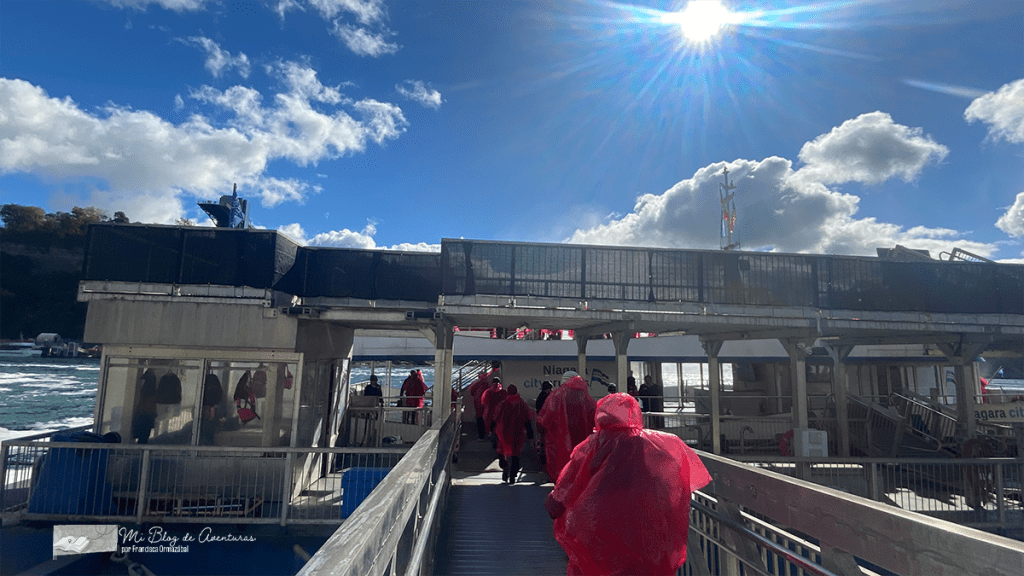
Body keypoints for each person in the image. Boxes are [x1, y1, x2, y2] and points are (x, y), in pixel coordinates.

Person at [545, 393, 712, 576]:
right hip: (643, 524)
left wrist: (556, 503)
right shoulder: (652, 442)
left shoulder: (593, 444)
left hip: (600, 522)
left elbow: (571, 480)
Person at [536, 374, 596, 482]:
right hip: (582, 441)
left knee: (562, 472)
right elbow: (595, 418)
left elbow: (544, 420)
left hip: (559, 442)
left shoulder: (555, 397)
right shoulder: (585, 398)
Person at [493, 384, 535, 483]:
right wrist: (530, 432)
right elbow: (528, 418)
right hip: (518, 432)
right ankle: (513, 475)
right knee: (516, 455)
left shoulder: (503, 403)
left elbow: (496, 417)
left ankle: (505, 468)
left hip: (504, 432)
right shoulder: (522, 403)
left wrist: (492, 429)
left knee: (502, 452)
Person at [481, 377, 508, 447]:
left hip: (489, 414)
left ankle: (493, 442)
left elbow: (483, 402)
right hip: (501, 414)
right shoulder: (504, 392)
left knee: (491, 429)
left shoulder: (488, 392)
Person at [468, 371, 491, 439]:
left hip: (478, 404)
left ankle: (481, 436)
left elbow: (472, 391)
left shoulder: (477, 384)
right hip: (485, 405)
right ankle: (486, 434)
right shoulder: (488, 385)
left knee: (479, 420)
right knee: (486, 419)